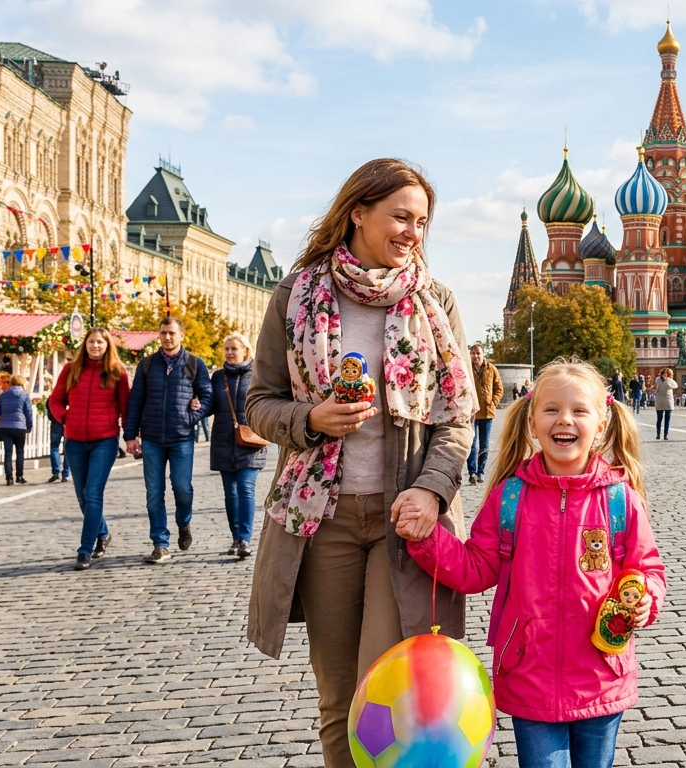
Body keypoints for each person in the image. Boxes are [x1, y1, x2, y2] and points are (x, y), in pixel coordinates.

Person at [245, 158, 476, 768]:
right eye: (401, 216)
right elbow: (259, 402)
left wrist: (432, 490)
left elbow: (457, 417)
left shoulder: (435, 301)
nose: (413, 233)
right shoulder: (295, 296)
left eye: (422, 222)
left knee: (388, 689)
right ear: (358, 213)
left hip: (407, 522)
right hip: (324, 520)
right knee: (340, 697)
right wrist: (310, 421)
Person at [402, 358, 665, 768]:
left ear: (601, 423)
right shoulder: (511, 497)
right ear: (532, 420)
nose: (565, 419)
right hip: (529, 677)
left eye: (579, 410)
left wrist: (646, 597)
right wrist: (427, 537)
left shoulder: (619, 498)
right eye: (552, 409)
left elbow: (647, 567)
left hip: (601, 676)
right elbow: (475, 568)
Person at [125, 316, 212, 564]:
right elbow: (135, 402)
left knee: (182, 488)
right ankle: (160, 543)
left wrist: (192, 416)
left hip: (181, 437)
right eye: (163, 333)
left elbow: (207, 396)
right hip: (152, 438)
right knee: (154, 493)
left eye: (172, 333)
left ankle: (184, 523)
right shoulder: (147, 365)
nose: (167, 337)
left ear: (181, 335)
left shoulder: (194, 364)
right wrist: (130, 436)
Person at [50, 329, 131, 570]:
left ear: (108, 346)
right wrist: (65, 417)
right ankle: (103, 533)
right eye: (91, 342)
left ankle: (84, 550)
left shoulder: (117, 372)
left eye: (100, 342)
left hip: (104, 440)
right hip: (74, 440)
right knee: (82, 495)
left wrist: (130, 437)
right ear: (85, 344)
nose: (95, 346)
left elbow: (126, 407)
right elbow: (55, 400)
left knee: (93, 492)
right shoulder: (71, 369)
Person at [208, 333, 267, 559]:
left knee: (245, 488)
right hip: (223, 441)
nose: (230, 353)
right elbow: (209, 404)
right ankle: (235, 536)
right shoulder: (218, 377)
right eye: (227, 349)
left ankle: (244, 539)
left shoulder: (257, 375)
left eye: (234, 348)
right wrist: (195, 406)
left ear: (246, 351)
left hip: (251, 440)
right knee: (230, 494)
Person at [466, 344, 504, 485]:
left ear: (483, 354)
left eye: (478, 353)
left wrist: (493, 403)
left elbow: (499, 388)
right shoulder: (467, 369)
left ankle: (481, 472)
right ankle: (472, 472)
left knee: (484, 445)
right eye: (473, 353)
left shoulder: (491, 369)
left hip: (487, 413)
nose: (475, 356)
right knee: (472, 444)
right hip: (472, 413)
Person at [0, 373, 34, 486]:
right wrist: (29, 426)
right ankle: (19, 476)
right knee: (20, 452)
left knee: (7, 453)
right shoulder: (24, 395)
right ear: (22, 383)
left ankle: (9, 478)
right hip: (20, 426)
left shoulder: (3, 395)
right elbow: (28, 413)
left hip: (5, 426)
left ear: (11, 383)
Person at [44, 374, 69, 484]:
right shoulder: (69, 396)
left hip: (56, 423)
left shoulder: (52, 398)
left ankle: (56, 472)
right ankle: (66, 474)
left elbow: (49, 412)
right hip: (67, 424)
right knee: (67, 449)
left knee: (54, 447)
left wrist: (54, 418)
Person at [654, 368, 677, 439]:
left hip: (665, 401)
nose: (665, 376)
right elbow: (675, 386)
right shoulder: (661, 380)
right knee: (661, 419)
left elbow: (676, 386)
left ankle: (664, 434)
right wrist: (666, 381)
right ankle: (660, 434)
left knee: (665, 419)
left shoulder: (667, 380)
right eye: (664, 374)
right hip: (663, 400)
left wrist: (667, 381)